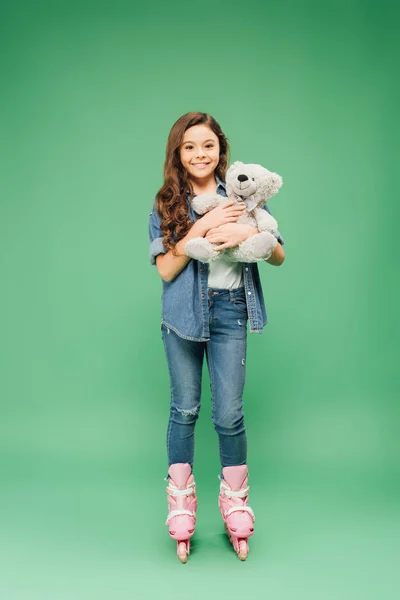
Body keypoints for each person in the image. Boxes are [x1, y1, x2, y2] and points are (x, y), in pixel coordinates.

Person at [148, 112, 285, 563]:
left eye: (207, 145)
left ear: (220, 149)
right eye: (190, 147)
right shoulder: (167, 203)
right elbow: (166, 268)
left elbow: (278, 254)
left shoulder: (243, 191)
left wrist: (247, 230)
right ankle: (182, 503)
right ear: (178, 154)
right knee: (184, 408)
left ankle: (235, 501)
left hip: (230, 313)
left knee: (229, 414)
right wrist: (200, 229)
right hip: (183, 315)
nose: (200, 154)